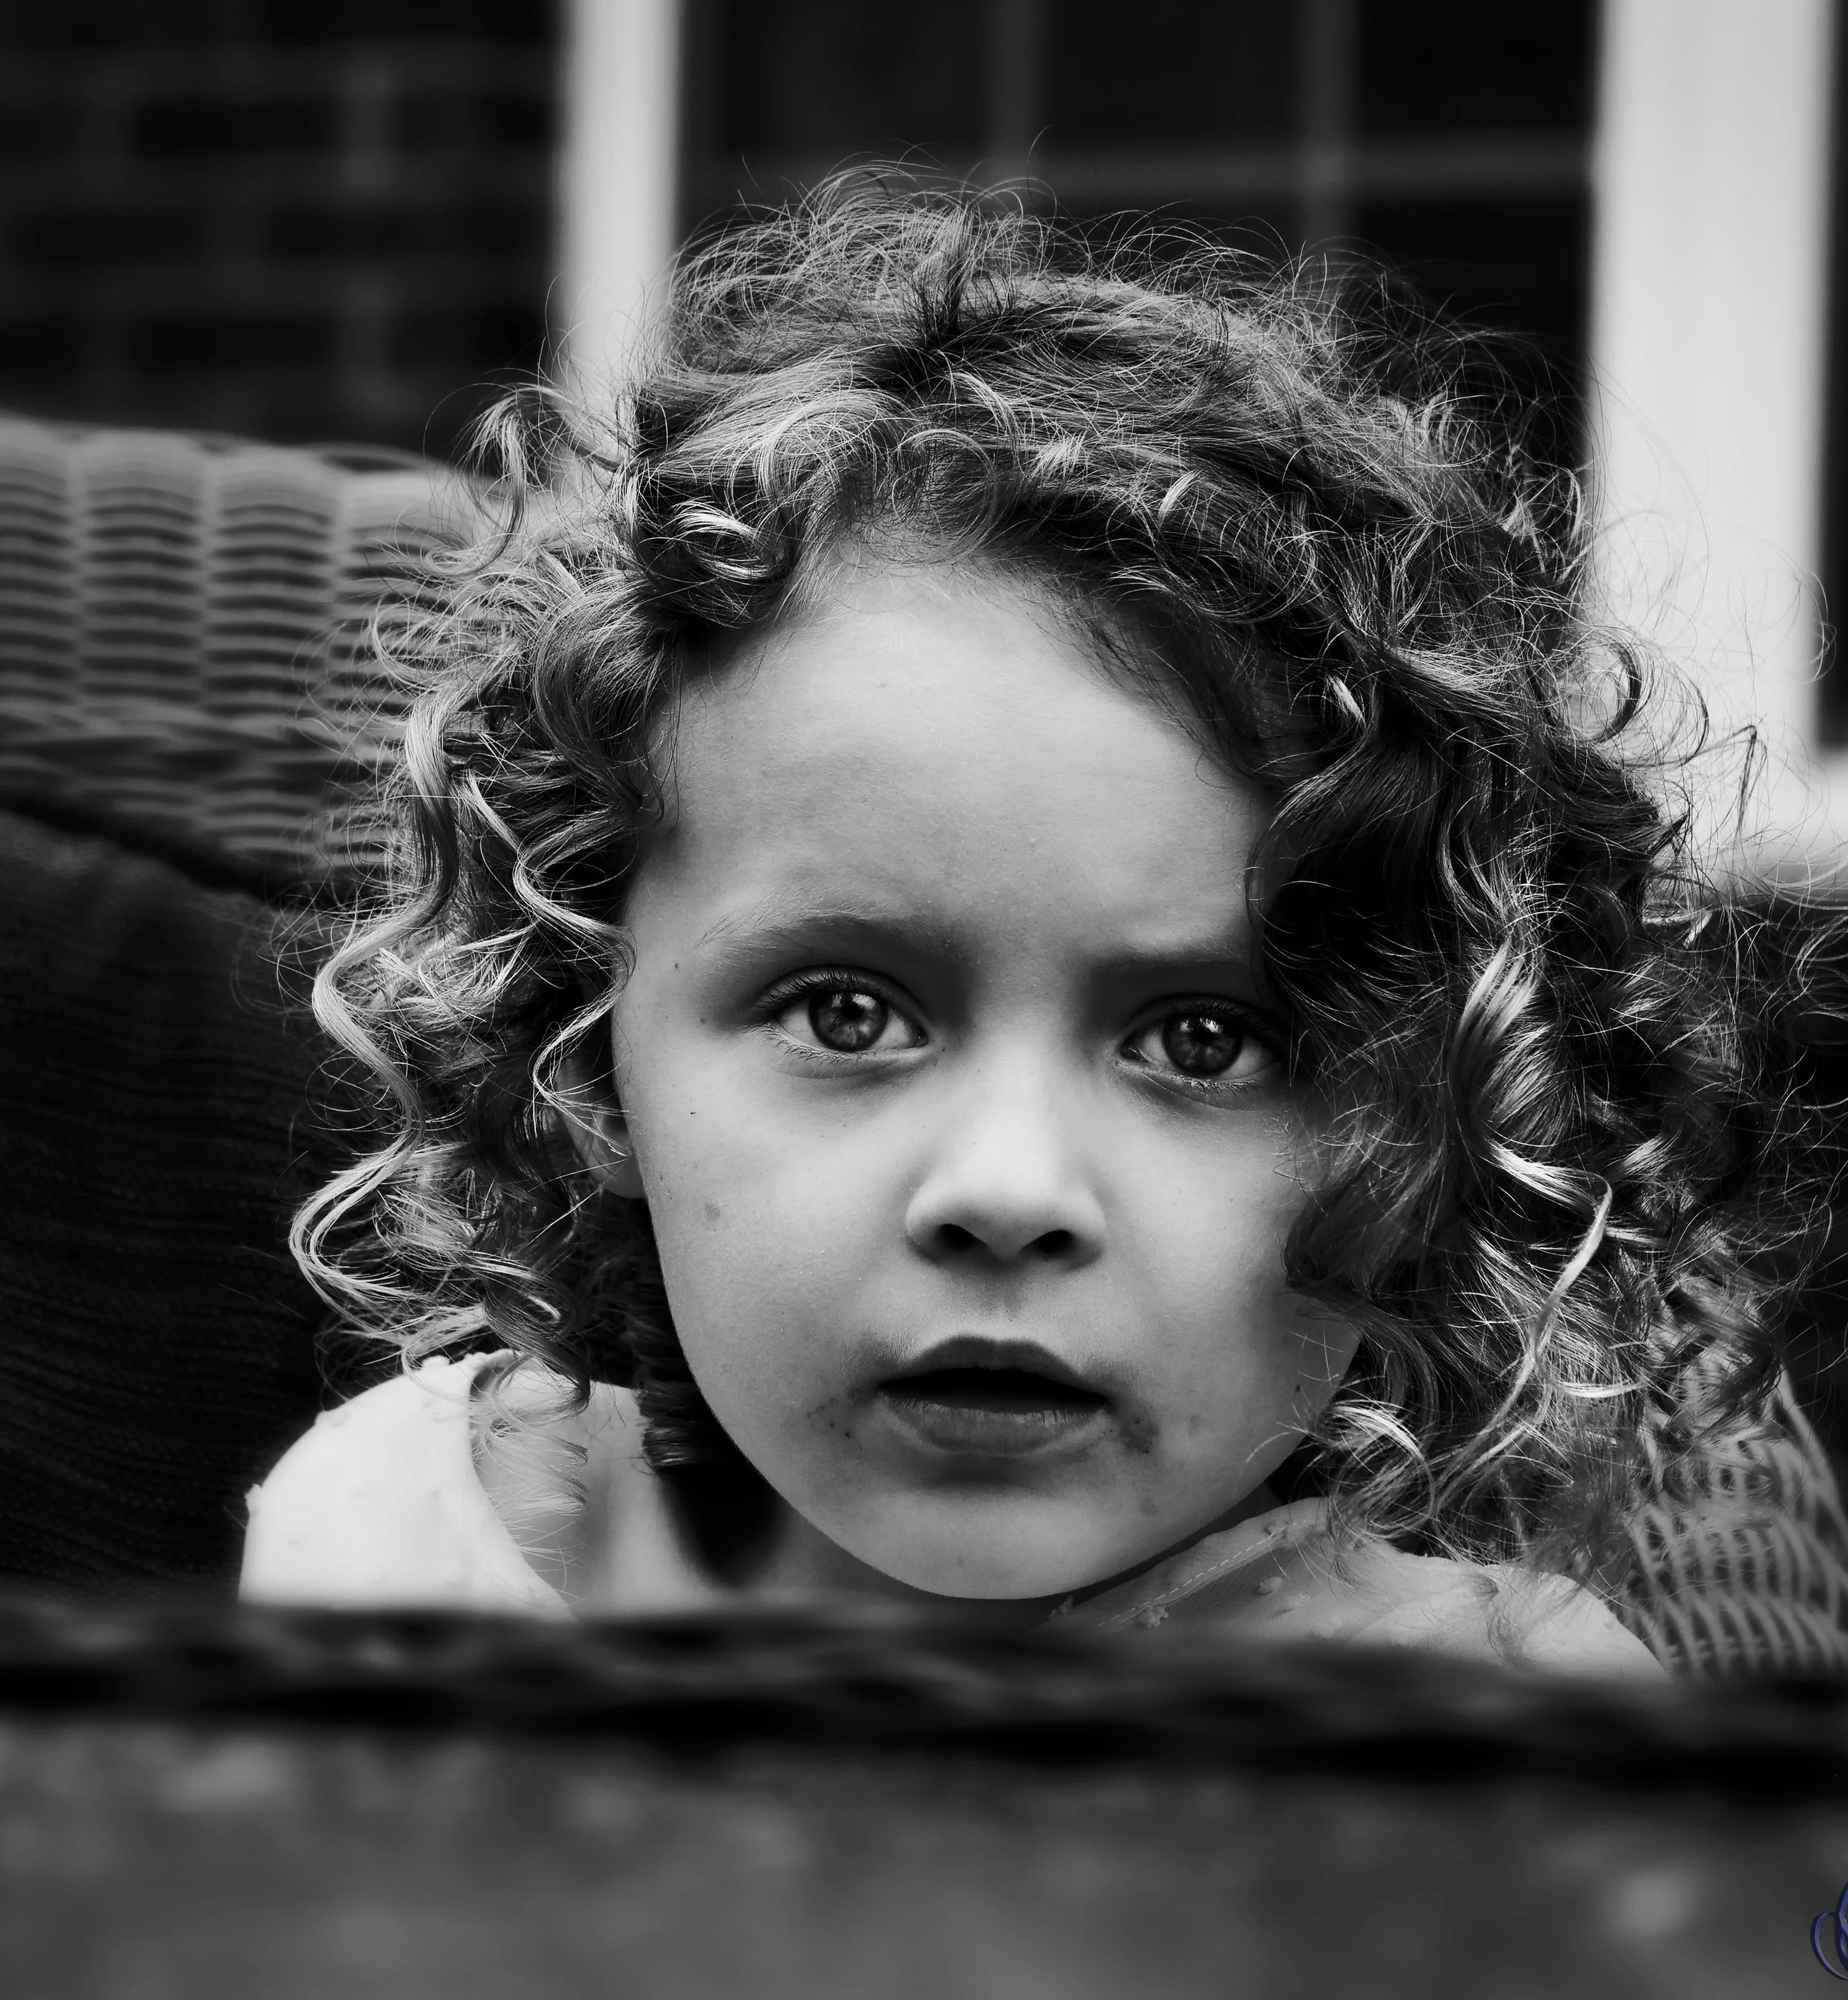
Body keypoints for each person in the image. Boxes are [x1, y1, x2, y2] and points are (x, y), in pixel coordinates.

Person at [242, 178, 1848, 1676]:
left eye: (1204, 1040)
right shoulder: (396, 1553)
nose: (1005, 1192)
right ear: (592, 1062)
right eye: (846, 1013)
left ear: (1435, 1136)